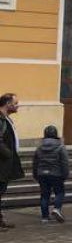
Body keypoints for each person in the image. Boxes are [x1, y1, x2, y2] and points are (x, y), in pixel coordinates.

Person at [33, 124, 69, 224]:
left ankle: (45, 217)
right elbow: (64, 162)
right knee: (59, 192)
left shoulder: (39, 148)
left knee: (44, 195)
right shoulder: (61, 147)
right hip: (56, 173)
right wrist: (65, 174)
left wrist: (35, 174)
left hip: (42, 174)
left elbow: (35, 162)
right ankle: (57, 208)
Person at [0, 93, 22, 229]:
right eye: (16, 103)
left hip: (5, 164)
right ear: (8, 104)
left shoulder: (6, 119)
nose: (18, 106)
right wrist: (8, 154)